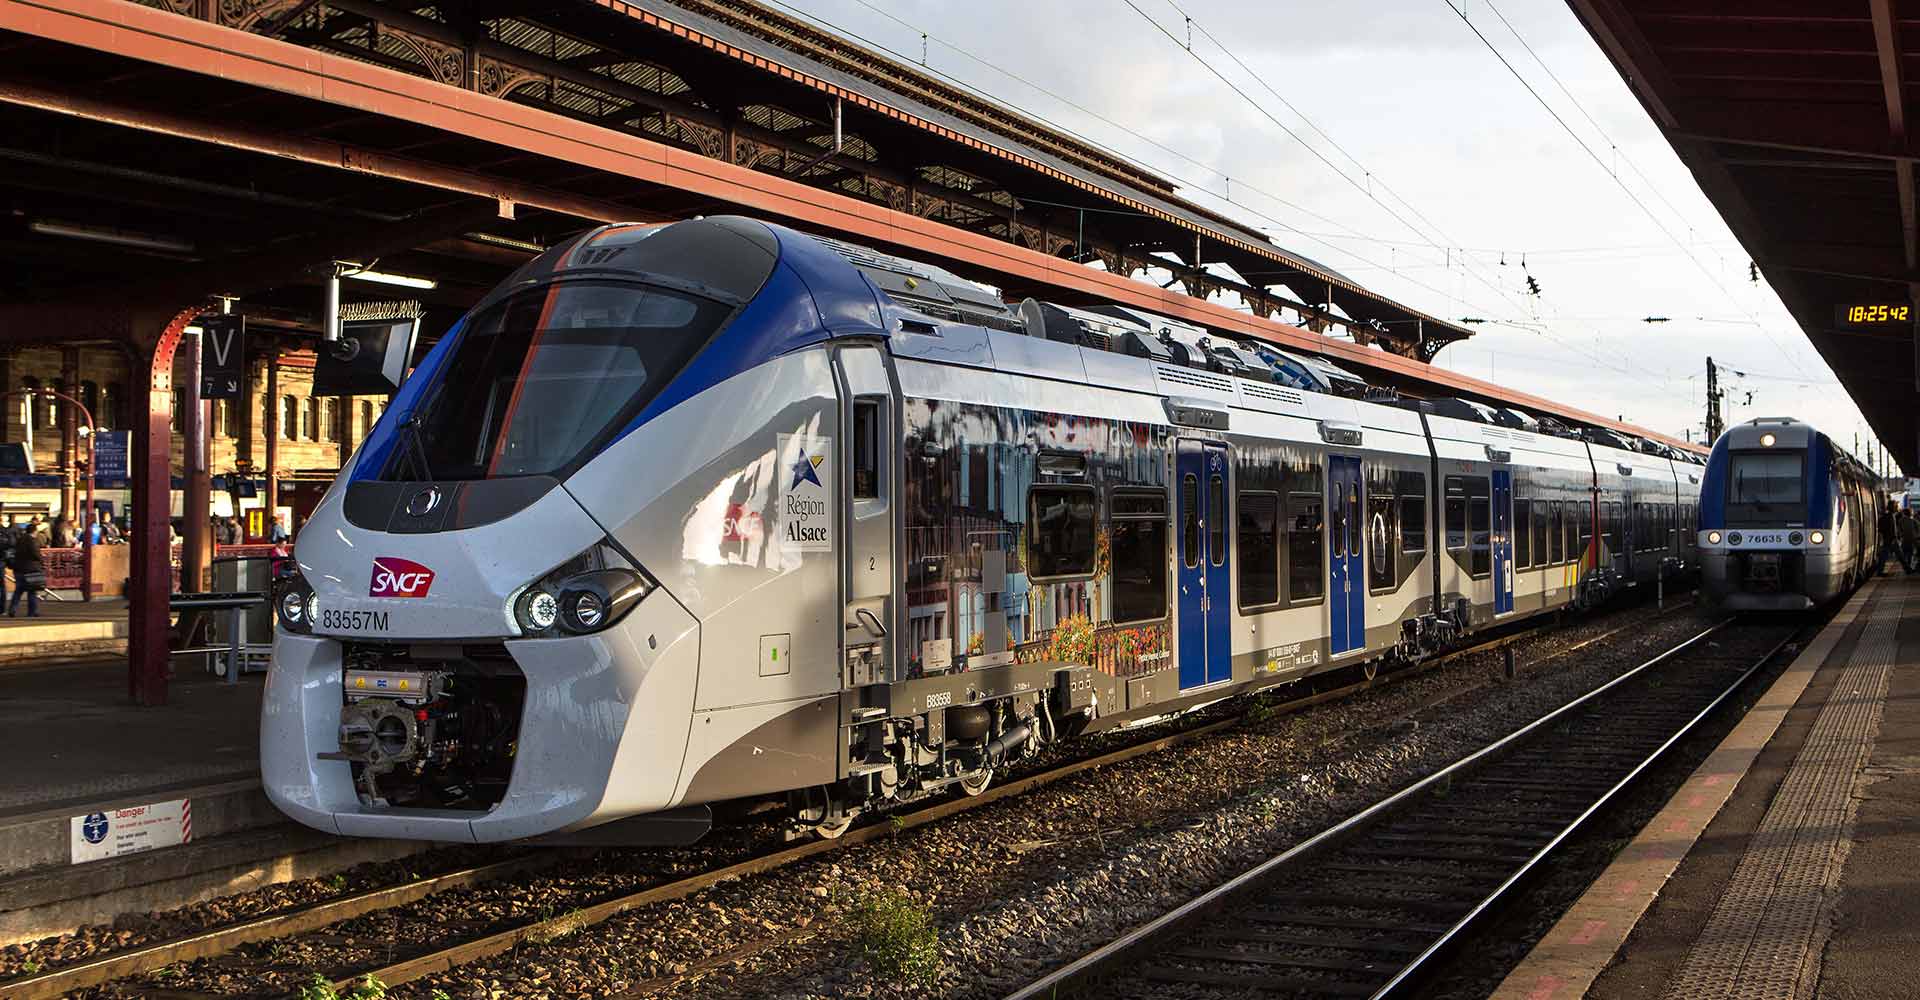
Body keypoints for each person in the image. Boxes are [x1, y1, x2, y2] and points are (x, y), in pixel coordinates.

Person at [9, 528, 43, 618]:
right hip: (30, 568)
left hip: (18, 568)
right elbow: (36, 554)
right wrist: (41, 560)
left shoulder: (19, 540)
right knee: (32, 591)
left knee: (18, 591)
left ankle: (12, 609)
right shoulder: (32, 541)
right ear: (35, 531)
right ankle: (32, 611)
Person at [1879, 500, 1900, 574]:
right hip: (1890, 540)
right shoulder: (1890, 516)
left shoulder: (1889, 515)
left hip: (1889, 539)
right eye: (1896, 506)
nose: (1897, 508)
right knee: (1884, 556)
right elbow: (1892, 529)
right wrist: (1894, 538)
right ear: (1893, 507)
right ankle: (1880, 571)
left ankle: (1908, 569)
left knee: (1899, 555)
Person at [1900, 506, 1919, 574]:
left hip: (1904, 539)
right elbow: (1918, 529)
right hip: (1912, 539)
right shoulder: (1914, 520)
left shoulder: (1901, 520)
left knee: (1905, 553)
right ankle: (1909, 567)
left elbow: (1899, 530)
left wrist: (1901, 535)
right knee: (1910, 554)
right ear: (1910, 513)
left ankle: (1907, 568)